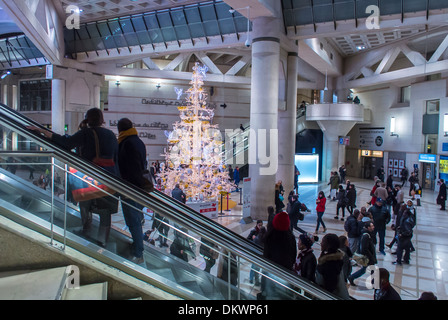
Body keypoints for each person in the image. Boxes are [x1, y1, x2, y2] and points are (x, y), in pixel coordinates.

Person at [31, 108, 120, 247]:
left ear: (87, 119)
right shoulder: (110, 135)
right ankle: (103, 240)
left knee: (85, 201)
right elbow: (116, 156)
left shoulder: (86, 133)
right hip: (109, 176)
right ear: (102, 119)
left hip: (90, 176)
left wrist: (44, 132)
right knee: (105, 209)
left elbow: (66, 143)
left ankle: (87, 229)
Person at [117, 117, 149, 264]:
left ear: (120, 130)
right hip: (137, 186)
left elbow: (132, 167)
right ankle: (138, 247)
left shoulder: (127, 143)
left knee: (133, 219)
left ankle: (138, 252)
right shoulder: (137, 141)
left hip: (131, 187)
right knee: (135, 218)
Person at [315, 233, 350, 299]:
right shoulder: (335, 259)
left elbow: (330, 287)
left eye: (323, 241)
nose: (321, 243)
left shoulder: (330, 264)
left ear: (328, 245)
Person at [348, 221, 377, 286]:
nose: (373, 227)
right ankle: (352, 277)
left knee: (368, 269)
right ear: (368, 227)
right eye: (372, 226)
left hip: (370, 256)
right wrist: (371, 257)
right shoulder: (366, 236)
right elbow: (364, 248)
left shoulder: (368, 234)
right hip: (369, 256)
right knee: (367, 269)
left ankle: (374, 282)